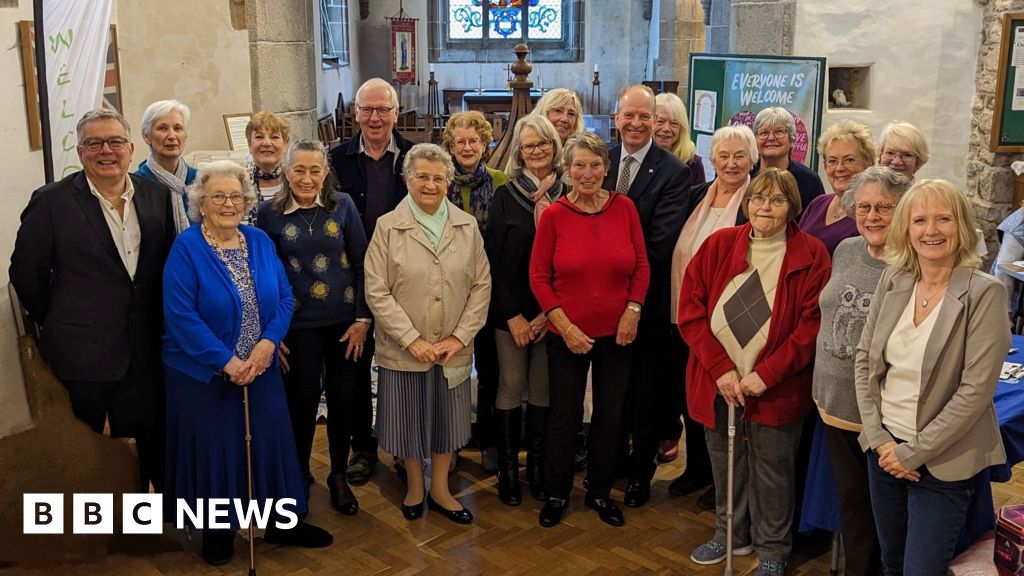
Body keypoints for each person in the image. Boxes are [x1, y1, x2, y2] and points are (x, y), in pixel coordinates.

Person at [162, 161, 333, 565]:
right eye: (218, 196)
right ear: (201, 203)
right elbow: (181, 315)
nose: (228, 203)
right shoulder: (186, 248)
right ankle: (218, 528)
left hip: (261, 368)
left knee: (270, 441)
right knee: (217, 449)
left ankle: (280, 522)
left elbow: (286, 297)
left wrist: (268, 344)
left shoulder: (257, 240)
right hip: (204, 374)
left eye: (236, 196)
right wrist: (226, 361)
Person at [10, 109, 175, 493]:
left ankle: (137, 524)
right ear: (81, 152)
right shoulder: (51, 202)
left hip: (142, 349)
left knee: (143, 444)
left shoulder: (156, 196)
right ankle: (87, 532)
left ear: (131, 148)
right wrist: (61, 319)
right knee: (81, 449)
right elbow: (25, 275)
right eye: (94, 143)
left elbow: (162, 266)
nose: (106, 150)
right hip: (80, 353)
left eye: (115, 141)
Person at [680, 168, 829, 576]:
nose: (766, 207)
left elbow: (811, 325)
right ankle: (730, 534)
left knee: (773, 470)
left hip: (776, 386)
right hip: (719, 381)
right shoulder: (717, 245)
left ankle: (773, 550)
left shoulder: (812, 254)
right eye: (759, 198)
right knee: (727, 463)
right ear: (747, 204)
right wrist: (721, 370)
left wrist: (766, 374)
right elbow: (691, 311)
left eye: (777, 200)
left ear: (792, 208)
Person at [855, 179, 1009, 575]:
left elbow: (974, 394)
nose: (931, 230)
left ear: (961, 227)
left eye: (944, 219)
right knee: (891, 563)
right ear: (907, 228)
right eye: (920, 219)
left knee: (921, 571)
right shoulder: (894, 279)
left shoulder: (984, 293)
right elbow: (864, 362)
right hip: (883, 451)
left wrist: (912, 453)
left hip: (943, 462)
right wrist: (880, 440)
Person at [364, 143, 491, 524]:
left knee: (446, 420)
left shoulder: (467, 227)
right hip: (405, 349)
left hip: (452, 348)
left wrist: (459, 337)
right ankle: (415, 486)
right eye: (422, 176)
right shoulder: (388, 226)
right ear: (408, 179)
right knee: (407, 421)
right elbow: (376, 289)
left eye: (438, 178)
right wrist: (412, 340)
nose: (430, 184)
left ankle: (440, 487)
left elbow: (482, 285)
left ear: (448, 182)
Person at [531, 131, 651, 528]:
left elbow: (641, 266)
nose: (587, 173)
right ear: (567, 169)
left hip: (618, 334)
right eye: (579, 165)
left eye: (595, 165)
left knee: (610, 416)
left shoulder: (625, 208)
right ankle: (557, 491)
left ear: (607, 168)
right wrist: (564, 327)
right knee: (564, 417)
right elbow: (539, 277)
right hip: (567, 334)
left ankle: (599, 492)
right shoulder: (554, 215)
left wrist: (632, 312)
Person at [257, 139, 370, 516]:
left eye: (315, 170)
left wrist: (362, 320)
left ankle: (338, 475)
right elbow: (264, 277)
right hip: (296, 328)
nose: (307, 178)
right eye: (299, 170)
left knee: (343, 402)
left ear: (325, 173)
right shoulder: (268, 214)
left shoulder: (344, 207)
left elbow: (362, 264)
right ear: (286, 172)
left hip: (343, 326)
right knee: (300, 405)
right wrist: (271, 334)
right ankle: (297, 473)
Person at [811, 166, 910, 576]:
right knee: (852, 506)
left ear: (902, 210)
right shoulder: (846, 249)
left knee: (887, 514)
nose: (872, 216)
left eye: (884, 208)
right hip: (834, 405)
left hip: (884, 416)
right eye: (865, 207)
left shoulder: (913, 264)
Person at [603, 84, 690, 508]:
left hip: (647, 305)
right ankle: (614, 460)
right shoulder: (598, 160)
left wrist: (627, 297)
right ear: (615, 117)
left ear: (655, 120)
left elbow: (659, 243)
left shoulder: (673, 172)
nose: (635, 123)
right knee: (610, 390)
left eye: (644, 116)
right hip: (599, 304)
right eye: (628, 115)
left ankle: (640, 476)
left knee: (646, 396)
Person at [666, 125, 759, 508]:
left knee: (723, 403)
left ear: (752, 159)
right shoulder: (696, 196)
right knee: (690, 398)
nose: (732, 163)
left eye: (740, 156)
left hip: (727, 323)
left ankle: (725, 481)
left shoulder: (756, 199)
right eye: (724, 155)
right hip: (681, 314)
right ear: (714, 158)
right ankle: (697, 468)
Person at [329, 78, 415, 486]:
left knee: (401, 367)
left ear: (397, 113)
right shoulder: (336, 159)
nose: (375, 117)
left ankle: (401, 445)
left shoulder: (415, 157)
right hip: (353, 279)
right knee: (357, 367)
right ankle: (362, 447)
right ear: (355, 114)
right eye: (367, 110)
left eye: (383, 109)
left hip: (405, 280)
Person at [484, 114, 566, 506]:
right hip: (511, 313)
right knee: (511, 386)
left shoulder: (568, 195)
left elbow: (571, 263)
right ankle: (507, 471)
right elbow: (494, 262)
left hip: (554, 312)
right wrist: (514, 315)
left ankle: (536, 465)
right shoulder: (506, 195)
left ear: (555, 148)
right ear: (519, 151)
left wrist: (550, 313)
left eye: (544, 144)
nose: (537, 152)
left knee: (543, 388)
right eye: (530, 145)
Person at [442, 110, 511, 474]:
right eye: (460, 142)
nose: (467, 147)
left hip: (490, 290)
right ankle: (451, 441)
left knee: (491, 368)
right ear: (450, 146)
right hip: (449, 291)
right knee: (452, 369)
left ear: (486, 145)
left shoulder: (500, 182)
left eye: (474, 141)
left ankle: (489, 439)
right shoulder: (440, 181)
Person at [799, 119, 877, 255]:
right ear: (825, 166)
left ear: (868, 164)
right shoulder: (817, 204)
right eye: (832, 161)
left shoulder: (871, 214)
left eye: (849, 160)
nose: (840, 168)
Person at [135, 99, 197, 234]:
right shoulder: (136, 186)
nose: (172, 136)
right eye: (162, 128)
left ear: (185, 135)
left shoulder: (200, 181)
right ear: (146, 136)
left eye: (178, 128)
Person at [750, 106, 825, 212]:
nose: (771, 138)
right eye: (764, 133)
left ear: (792, 139)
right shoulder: (746, 175)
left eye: (779, 132)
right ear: (755, 140)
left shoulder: (810, 181)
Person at [244, 111, 291, 221]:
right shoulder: (238, 183)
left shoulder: (295, 181)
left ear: (285, 145)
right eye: (259, 137)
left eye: (274, 137)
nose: (267, 143)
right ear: (250, 145)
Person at [654, 92, 706, 188]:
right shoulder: (638, 158)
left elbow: (699, 201)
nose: (666, 129)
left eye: (674, 123)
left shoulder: (693, 163)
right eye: (660, 121)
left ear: (682, 128)